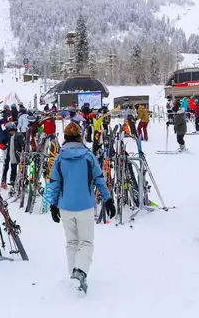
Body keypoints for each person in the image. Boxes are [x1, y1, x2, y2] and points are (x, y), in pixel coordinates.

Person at [46, 122, 115, 293]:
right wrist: (108, 199)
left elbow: (54, 183)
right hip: (85, 206)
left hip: (65, 207)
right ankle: (80, 271)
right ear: (80, 137)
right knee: (86, 242)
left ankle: (74, 275)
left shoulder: (60, 159)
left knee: (71, 242)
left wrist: (52, 205)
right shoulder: (88, 157)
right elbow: (99, 178)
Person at [1, 122, 24, 190]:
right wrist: (4, 146)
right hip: (7, 153)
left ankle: (14, 181)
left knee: (14, 167)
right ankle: (4, 180)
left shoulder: (17, 135)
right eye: (10, 130)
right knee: (6, 167)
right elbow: (1, 142)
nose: (11, 132)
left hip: (15, 154)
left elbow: (22, 145)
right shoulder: (5, 134)